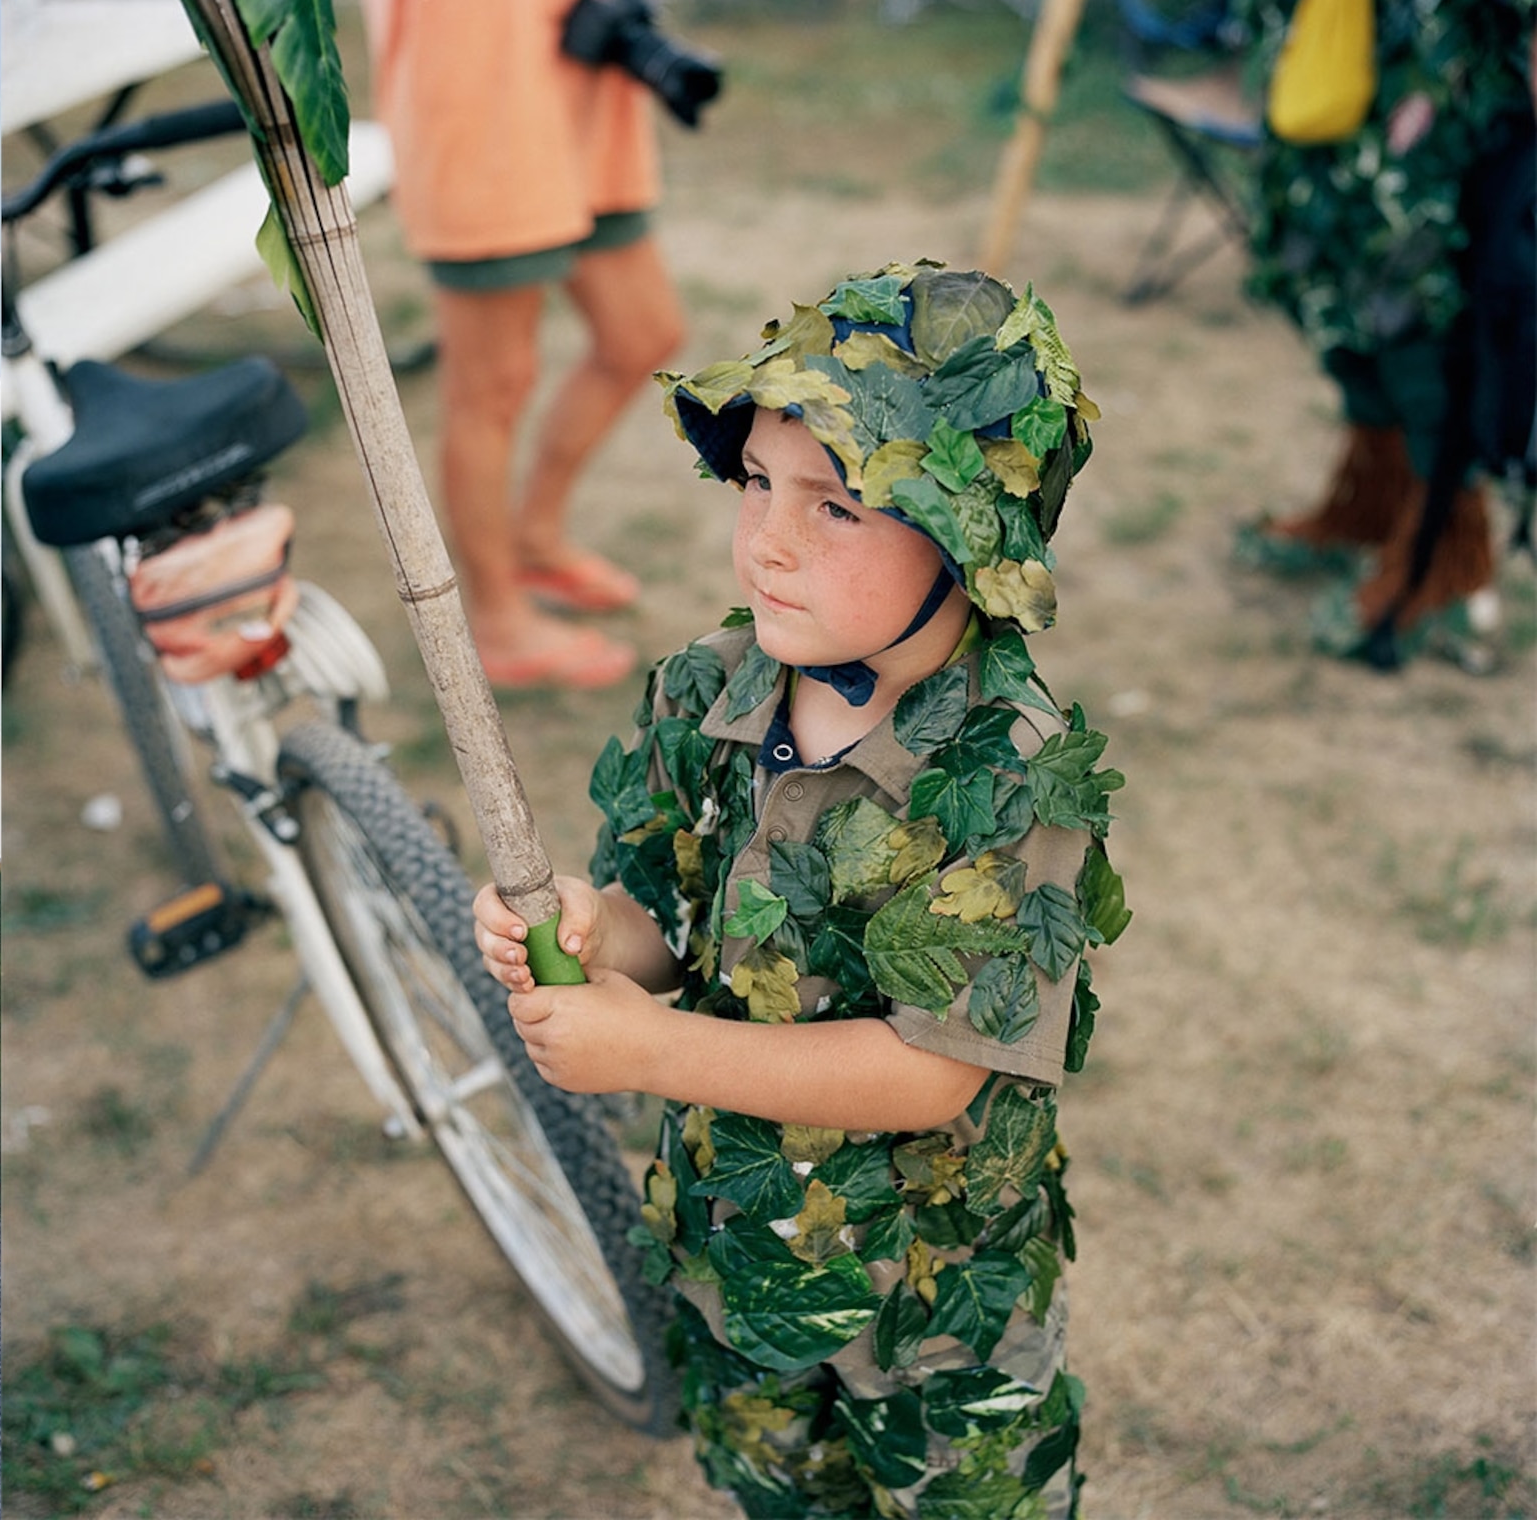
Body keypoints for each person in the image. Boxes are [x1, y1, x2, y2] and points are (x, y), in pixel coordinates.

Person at [470, 263, 1127, 1519]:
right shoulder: (703, 687)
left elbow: (930, 1070)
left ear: (967, 538)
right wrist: (593, 926)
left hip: (929, 1307)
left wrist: (649, 1049)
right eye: (759, 482)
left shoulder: (1007, 775)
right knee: (783, 1497)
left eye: (837, 508)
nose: (767, 537)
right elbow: (664, 933)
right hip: (737, 1259)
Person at [366, 0, 688, 688]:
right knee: (492, 386)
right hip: (481, 82)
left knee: (643, 333)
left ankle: (535, 539)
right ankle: (496, 618)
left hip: (582, 66)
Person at [1241, 0, 1536, 666]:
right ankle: (1370, 508)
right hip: (1326, 85)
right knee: (1336, 307)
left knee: (1423, 331)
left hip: (1441, 107)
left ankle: (1447, 559)